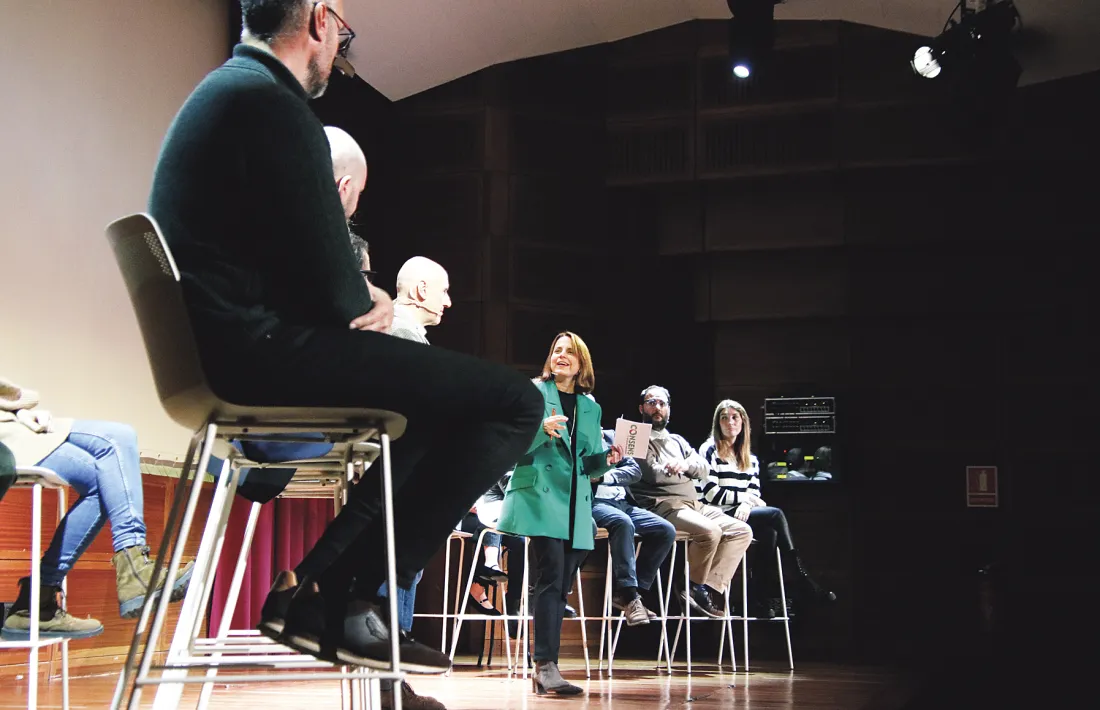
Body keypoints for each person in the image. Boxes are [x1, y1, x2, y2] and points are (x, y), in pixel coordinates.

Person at [148, 0, 543, 673]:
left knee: (430, 409)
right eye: (343, 32)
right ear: (320, 19)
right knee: (517, 403)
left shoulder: (229, 92)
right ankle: (347, 599)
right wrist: (378, 299)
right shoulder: (273, 104)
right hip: (258, 356)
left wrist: (351, 297)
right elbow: (339, 294)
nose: (339, 49)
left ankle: (331, 594)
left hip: (229, 352)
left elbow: (296, 270)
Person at [0, 376, 193, 639]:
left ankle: (36, 603)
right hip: (6, 432)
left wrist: (19, 409)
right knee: (118, 438)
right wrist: (18, 404)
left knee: (105, 480)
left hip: (11, 423)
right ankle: (134, 568)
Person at [497, 332, 622, 697]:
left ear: (582, 363)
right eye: (557, 350)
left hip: (574, 504)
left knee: (562, 576)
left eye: (569, 352)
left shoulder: (590, 407)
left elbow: (589, 464)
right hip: (539, 497)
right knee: (552, 574)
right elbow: (506, 444)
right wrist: (540, 430)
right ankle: (545, 666)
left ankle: (545, 662)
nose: (562, 356)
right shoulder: (533, 393)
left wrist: (609, 459)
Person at [698, 400, 835, 617]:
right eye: (724, 417)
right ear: (718, 423)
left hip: (740, 513)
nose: (729, 422)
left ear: (743, 422)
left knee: (770, 533)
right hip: (715, 514)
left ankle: (757, 599)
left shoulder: (750, 459)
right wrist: (746, 500)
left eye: (735, 417)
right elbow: (712, 493)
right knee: (775, 514)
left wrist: (745, 503)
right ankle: (801, 579)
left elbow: (756, 496)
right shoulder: (709, 450)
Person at [630, 386, 752, 619]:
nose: (657, 408)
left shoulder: (677, 440)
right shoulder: (636, 437)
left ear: (669, 409)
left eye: (662, 404)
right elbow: (651, 474)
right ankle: (692, 586)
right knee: (710, 532)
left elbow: (703, 468)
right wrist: (685, 469)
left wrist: (684, 466)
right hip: (663, 505)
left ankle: (702, 587)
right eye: (651, 402)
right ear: (641, 408)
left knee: (742, 530)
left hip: (694, 504)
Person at [591, 429, 675, 625]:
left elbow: (634, 471)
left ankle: (635, 594)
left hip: (623, 503)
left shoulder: (611, 437)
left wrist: (604, 477)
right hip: (594, 503)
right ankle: (628, 595)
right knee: (622, 523)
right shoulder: (577, 440)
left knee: (665, 530)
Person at [390, 257, 451, 343]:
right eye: (444, 291)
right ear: (422, 290)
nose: (448, 303)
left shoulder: (395, 325)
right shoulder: (403, 334)